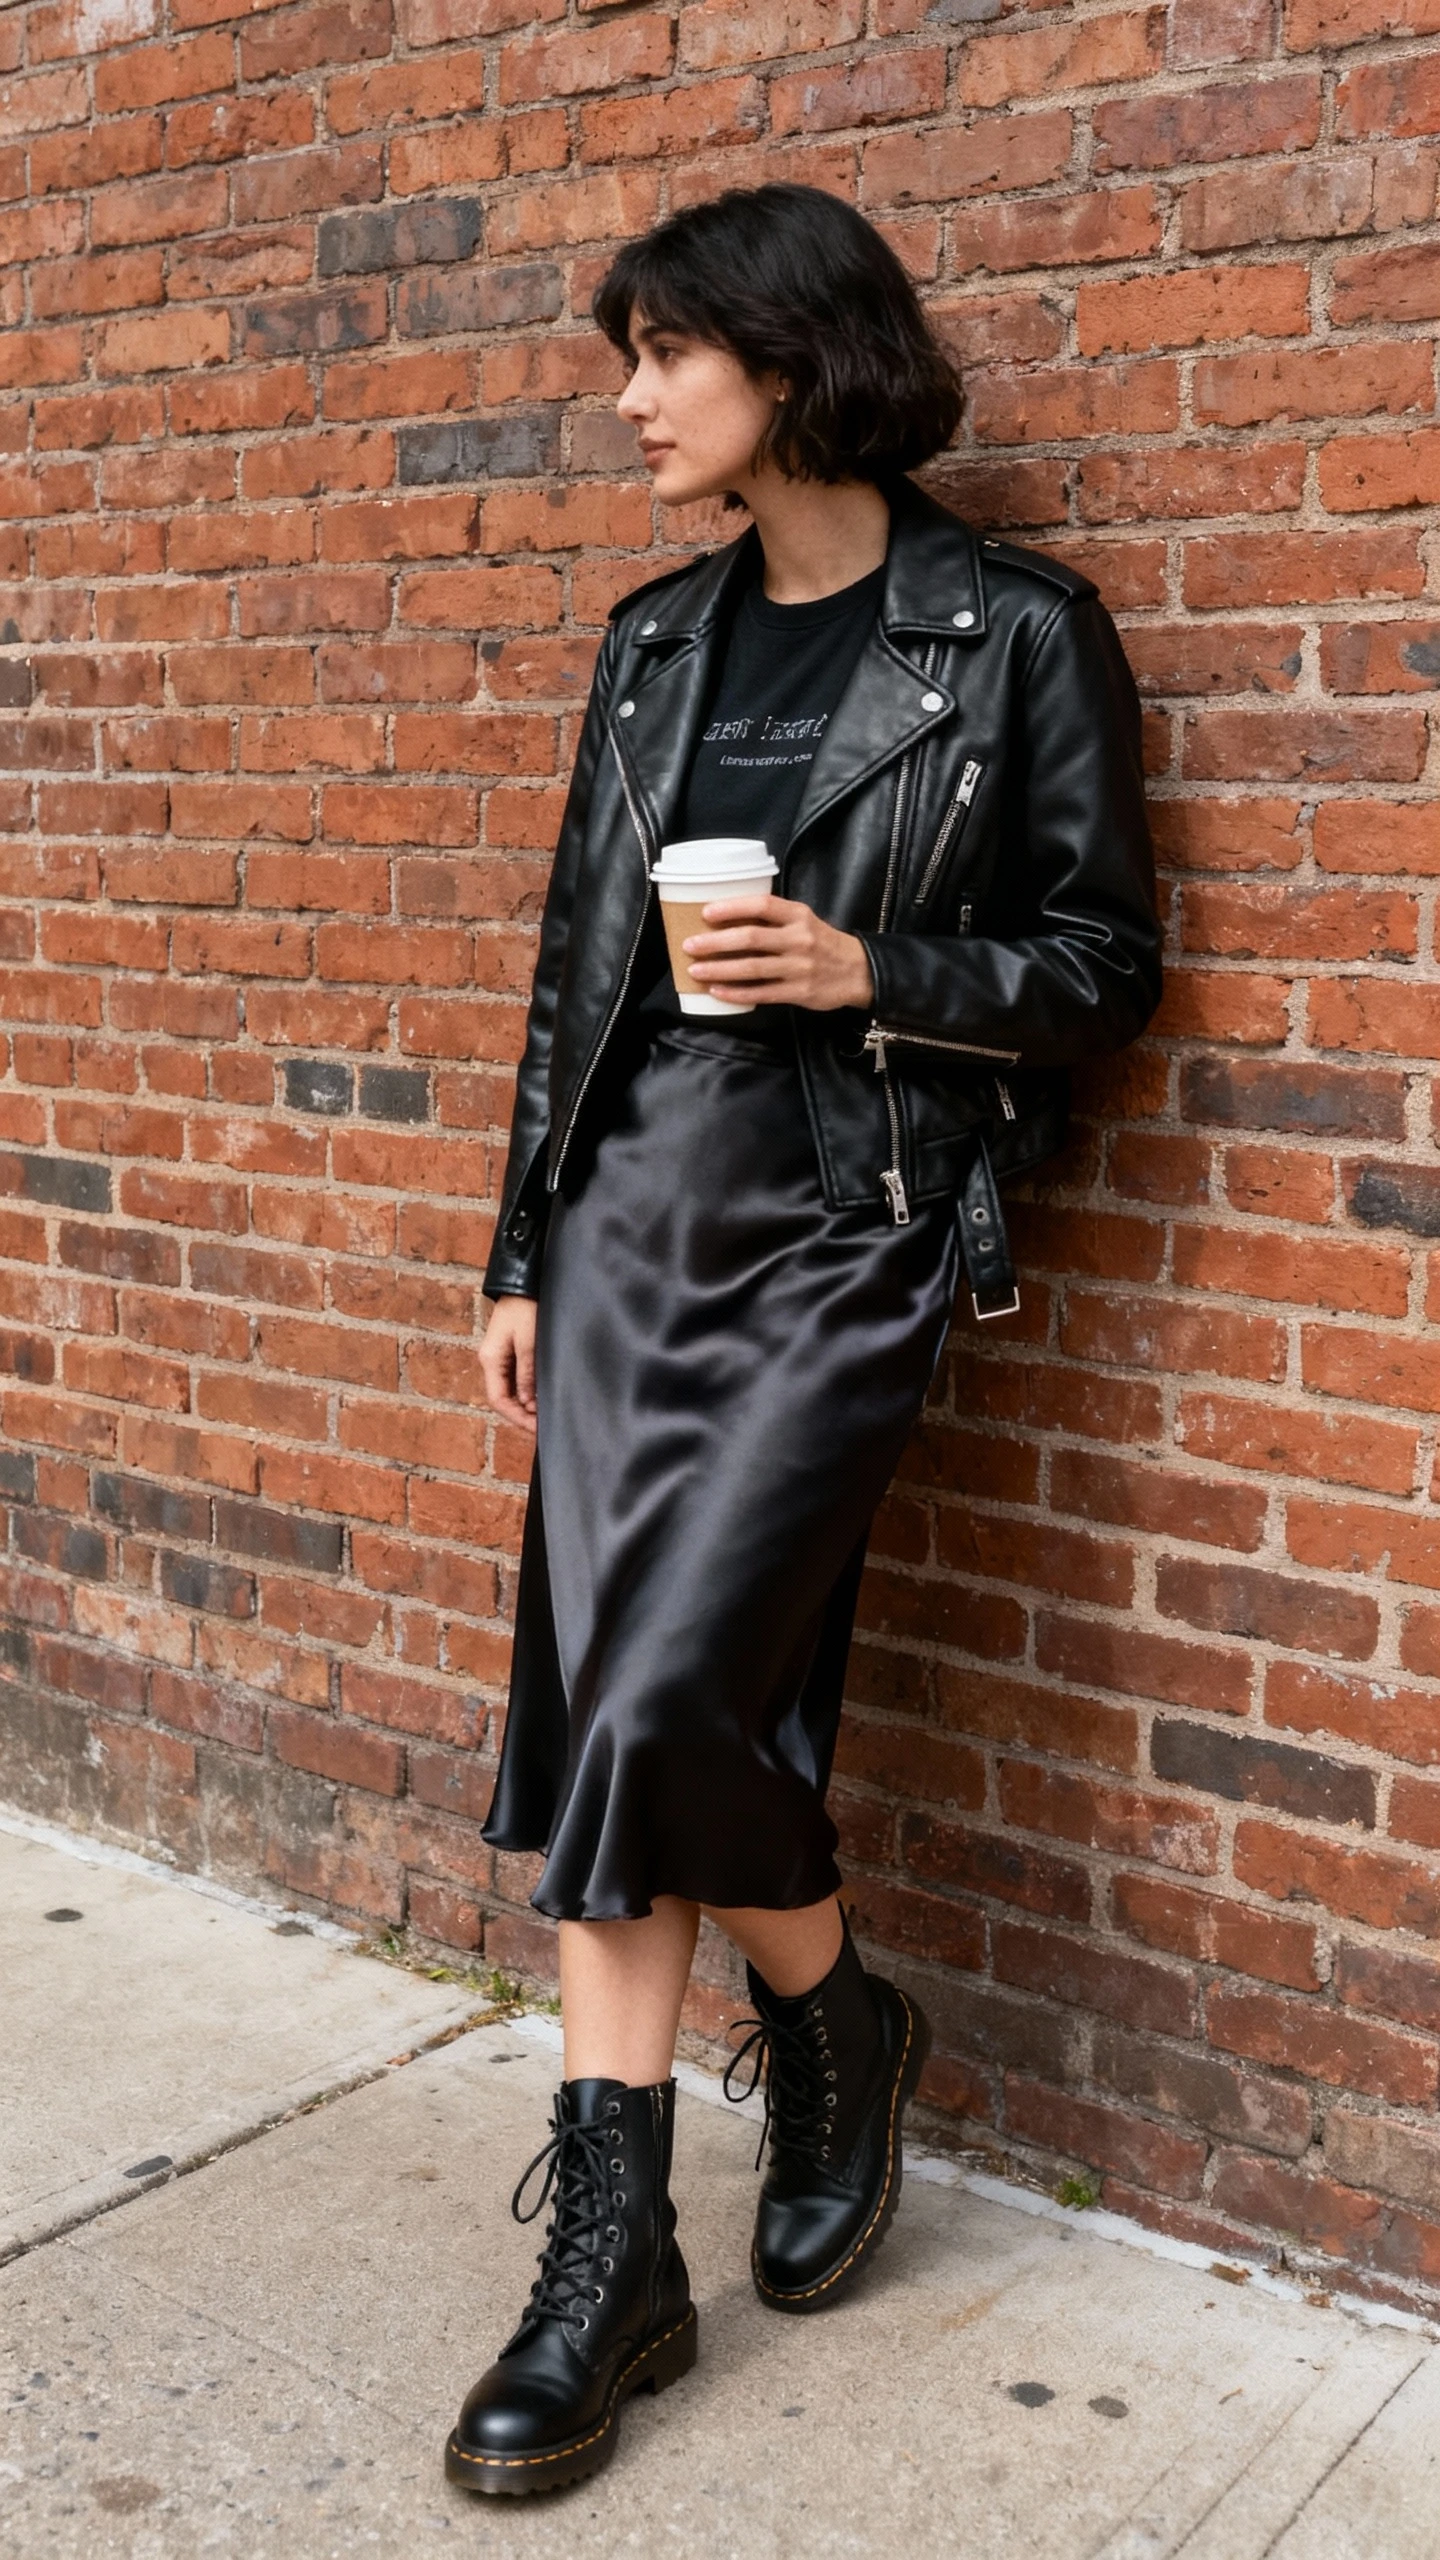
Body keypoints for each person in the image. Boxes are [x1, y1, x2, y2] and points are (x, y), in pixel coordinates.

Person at [445, 182, 1161, 2497]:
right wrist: (519, 1245)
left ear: (791, 357)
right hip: (636, 1222)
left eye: (664, 354)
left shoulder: (1015, 634)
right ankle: (615, 2256)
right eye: (625, 360)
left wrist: (877, 974)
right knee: (603, 1709)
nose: (633, 400)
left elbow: (1103, 966)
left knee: (650, 1704)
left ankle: (836, 2014)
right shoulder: (657, 645)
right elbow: (576, 977)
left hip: (850, 1230)